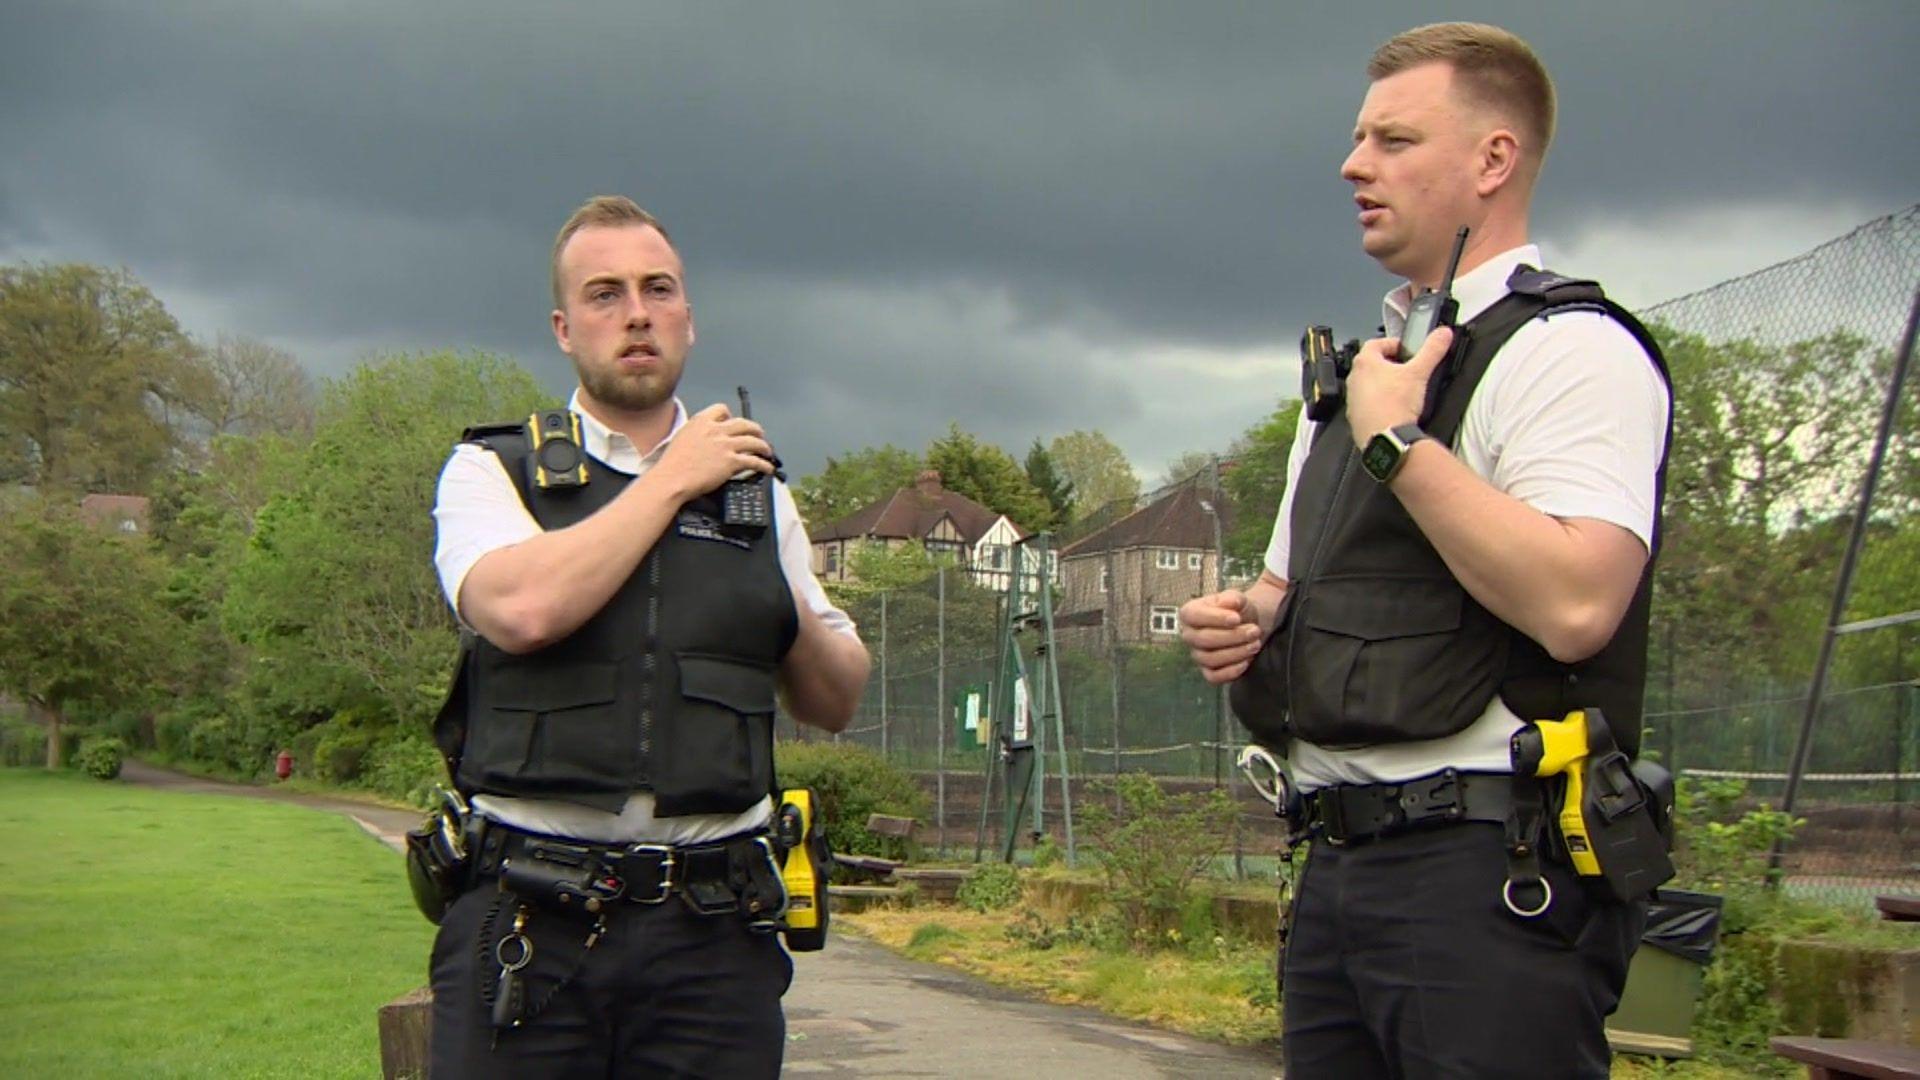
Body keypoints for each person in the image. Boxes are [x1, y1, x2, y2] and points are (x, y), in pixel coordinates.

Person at [1179, 23, 1672, 1079]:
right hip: (1339, 865)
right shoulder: (1363, 377)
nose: (1354, 166)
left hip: (1491, 874)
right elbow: (1291, 585)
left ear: (1493, 160)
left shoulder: (1570, 351)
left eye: (1394, 140)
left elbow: (1581, 603)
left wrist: (1400, 443)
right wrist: (1244, 620)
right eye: (1359, 139)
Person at [426, 195, 870, 1077]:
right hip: (530, 916)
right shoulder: (491, 471)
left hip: (712, 933)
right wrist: (672, 482)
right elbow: (518, 610)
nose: (636, 312)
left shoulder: (757, 496)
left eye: (658, 289)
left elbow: (836, 697)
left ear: (689, 322)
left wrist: (766, 577)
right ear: (564, 328)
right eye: (605, 294)